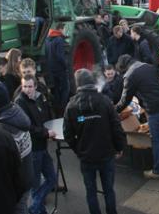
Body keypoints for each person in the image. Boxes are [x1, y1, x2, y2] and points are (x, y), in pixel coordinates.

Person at [63, 69, 125, 214]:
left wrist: (78, 150)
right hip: (106, 154)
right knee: (108, 189)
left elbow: (68, 134)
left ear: (77, 84)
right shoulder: (105, 101)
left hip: (86, 157)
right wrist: (119, 147)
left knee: (90, 192)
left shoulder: (71, 106)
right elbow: (116, 126)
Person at [116, 59, 159, 179]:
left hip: (155, 110)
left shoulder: (130, 75)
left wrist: (114, 111)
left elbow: (125, 99)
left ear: (123, 69)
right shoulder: (148, 66)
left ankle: (158, 170)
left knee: (157, 141)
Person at [0, 82, 34, 214]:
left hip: (18, 184)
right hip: (27, 176)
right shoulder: (16, 114)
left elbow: (5, 165)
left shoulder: (4, 128)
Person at [15, 73, 57, 214]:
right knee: (35, 184)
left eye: (30, 86)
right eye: (25, 86)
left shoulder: (39, 98)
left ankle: (36, 207)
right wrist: (46, 133)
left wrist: (49, 130)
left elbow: (46, 114)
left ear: (35, 86)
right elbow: (28, 127)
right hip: (33, 149)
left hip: (42, 147)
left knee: (52, 178)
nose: (27, 89)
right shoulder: (20, 102)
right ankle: (36, 209)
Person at [44, 28, 70, 114]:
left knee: (56, 89)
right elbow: (60, 56)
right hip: (60, 69)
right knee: (65, 88)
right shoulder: (59, 40)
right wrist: (66, 65)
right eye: (63, 29)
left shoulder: (47, 39)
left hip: (51, 69)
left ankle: (57, 109)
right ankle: (64, 108)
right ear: (60, 29)